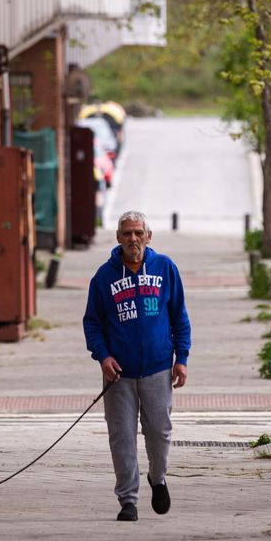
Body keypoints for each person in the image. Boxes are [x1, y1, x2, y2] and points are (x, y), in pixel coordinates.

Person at [83, 211, 191, 521]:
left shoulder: (165, 269)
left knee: (159, 432)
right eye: (127, 233)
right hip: (119, 375)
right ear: (118, 237)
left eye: (138, 233)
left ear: (148, 236)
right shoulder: (104, 277)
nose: (133, 239)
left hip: (158, 368)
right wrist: (103, 356)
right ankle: (127, 500)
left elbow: (179, 317)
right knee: (122, 436)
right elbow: (92, 323)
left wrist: (181, 359)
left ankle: (158, 478)